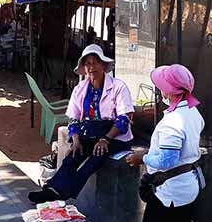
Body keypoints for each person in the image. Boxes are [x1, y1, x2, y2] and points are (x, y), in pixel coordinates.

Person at [126, 64, 205, 222]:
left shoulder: (173, 122)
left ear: (169, 91)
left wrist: (142, 157)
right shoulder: (193, 113)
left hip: (169, 192)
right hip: (187, 187)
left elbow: (167, 160)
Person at [28, 44, 134, 204]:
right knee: (72, 156)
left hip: (115, 136)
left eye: (95, 62)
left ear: (103, 65)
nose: (91, 67)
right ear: (84, 68)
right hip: (90, 133)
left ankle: (65, 191)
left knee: (97, 155)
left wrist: (105, 139)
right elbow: (74, 119)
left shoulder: (119, 87)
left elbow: (124, 119)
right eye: (88, 63)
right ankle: (52, 189)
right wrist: (76, 140)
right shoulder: (80, 89)